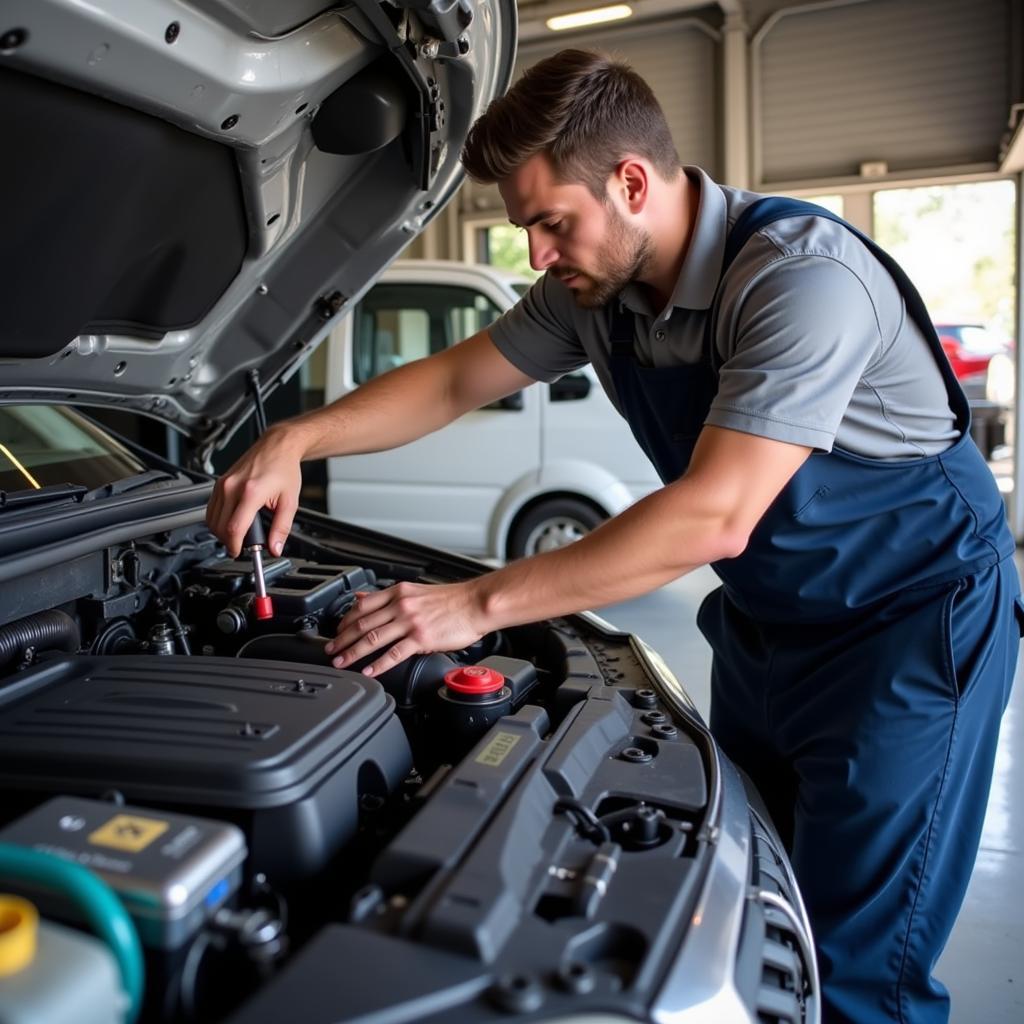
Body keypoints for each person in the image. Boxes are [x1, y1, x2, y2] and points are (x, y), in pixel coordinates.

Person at [206, 49, 1020, 1023]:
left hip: (906, 629)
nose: (537, 253)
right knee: (765, 908)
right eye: (527, 229)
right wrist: (296, 435)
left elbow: (714, 513)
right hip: (770, 622)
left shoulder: (801, 281)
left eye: (552, 222)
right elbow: (455, 381)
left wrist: (470, 604)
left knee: (857, 969)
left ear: (631, 182)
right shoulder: (598, 294)